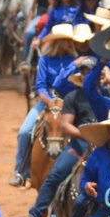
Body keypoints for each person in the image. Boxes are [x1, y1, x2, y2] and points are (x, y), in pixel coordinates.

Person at [15, 55, 95, 217]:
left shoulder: (106, 95)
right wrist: (86, 134)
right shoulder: (73, 97)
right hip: (79, 143)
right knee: (55, 174)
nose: (87, 76)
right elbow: (65, 123)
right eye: (84, 73)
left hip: (104, 144)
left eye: (91, 73)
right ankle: (36, 215)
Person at [11, 23, 80, 189]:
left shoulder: (75, 61)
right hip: (46, 102)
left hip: (69, 103)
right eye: (65, 40)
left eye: (69, 40)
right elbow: (40, 86)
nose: (69, 43)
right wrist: (50, 102)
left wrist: (65, 103)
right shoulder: (45, 60)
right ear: (58, 41)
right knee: (25, 132)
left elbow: (77, 84)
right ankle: (21, 171)